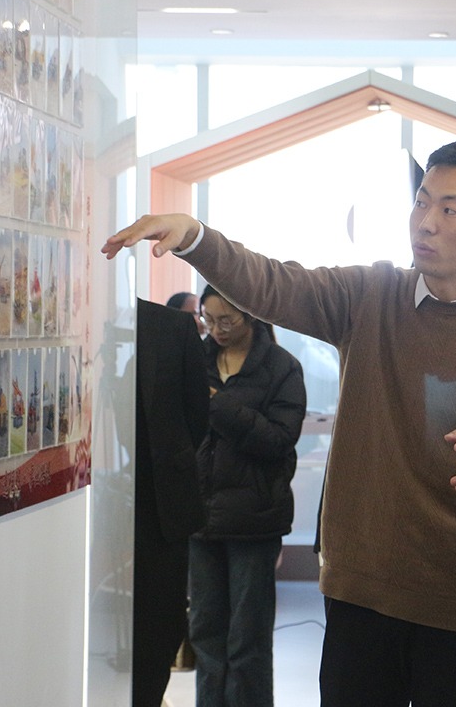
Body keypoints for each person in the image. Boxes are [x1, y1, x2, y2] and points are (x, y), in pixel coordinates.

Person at [103, 140, 456, 707]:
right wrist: (195, 238)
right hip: (360, 594)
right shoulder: (370, 294)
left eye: (450, 209)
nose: (425, 222)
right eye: (421, 202)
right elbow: (273, 283)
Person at [189, 285, 307, 707]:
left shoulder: (281, 367)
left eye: (227, 320)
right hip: (200, 516)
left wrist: (219, 406)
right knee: (205, 635)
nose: (217, 329)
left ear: (250, 315)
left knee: (247, 640)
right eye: (209, 319)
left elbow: (279, 440)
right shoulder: (195, 360)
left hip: (254, 519)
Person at [131, 298, 212, 707]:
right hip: (91, 501)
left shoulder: (171, 328)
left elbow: (196, 418)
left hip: (158, 507)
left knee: (160, 628)